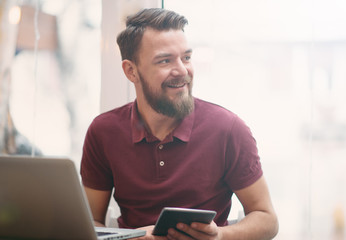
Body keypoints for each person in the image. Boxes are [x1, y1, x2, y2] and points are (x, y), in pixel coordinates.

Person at [80, 8, 278, 240]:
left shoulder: (229, 129)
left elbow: (267, 219)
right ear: (131, 71)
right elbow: (90, 223)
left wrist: (220, 236)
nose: (183, 71)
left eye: (186, 58)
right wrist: (135, 237)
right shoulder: (103, 132)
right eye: (165, 60)